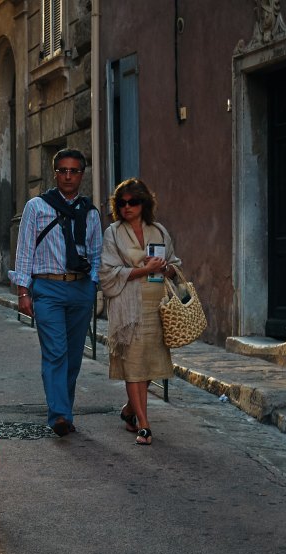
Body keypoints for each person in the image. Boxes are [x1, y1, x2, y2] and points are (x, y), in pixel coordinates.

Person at [11, 148, 102, 437]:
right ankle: (60, 415)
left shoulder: (90, 212)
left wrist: (93, 286)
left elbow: (97, 253)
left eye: (74, 171)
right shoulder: (36, 207)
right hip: (47, 288)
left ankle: (65, 410)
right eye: (62, 170)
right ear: (55, 173)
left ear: (82, 175)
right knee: (56, 352)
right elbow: (24, 251)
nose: (68, 176)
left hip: (80, 287)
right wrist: (23, 292)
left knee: (74, 356)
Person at [99, 177, 181, 446]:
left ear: (143, 203)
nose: (127, 207)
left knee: (148, 365)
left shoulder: (159, 230)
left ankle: (129, 410)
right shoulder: (113, 233)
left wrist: (164, 267)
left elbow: (175, 266)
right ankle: (144, 425)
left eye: (133, 202)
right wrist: (144, 270)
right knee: (134, 365)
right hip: (127, 309)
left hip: (157, 307)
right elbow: (107, 273)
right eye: (121, 203)